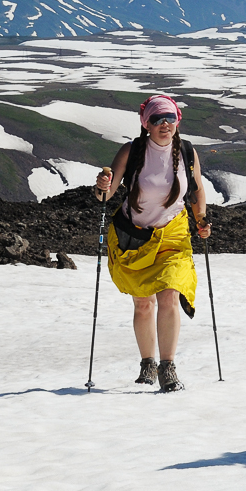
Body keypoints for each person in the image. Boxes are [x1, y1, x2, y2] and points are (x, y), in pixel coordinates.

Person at [94, 94, 211, 393]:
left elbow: (196, 190)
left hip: (173, 233)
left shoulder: (186, 151)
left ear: (177, 121)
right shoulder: (132, 151)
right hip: (134, 235)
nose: (165, 124)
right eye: (158, 119)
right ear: (146, 124)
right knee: (143, 303)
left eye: (170, 118)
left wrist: (201, 220)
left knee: (169, 294)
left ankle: (167, 367)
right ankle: (147, 361)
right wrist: (102, 187)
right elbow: (106, 196)